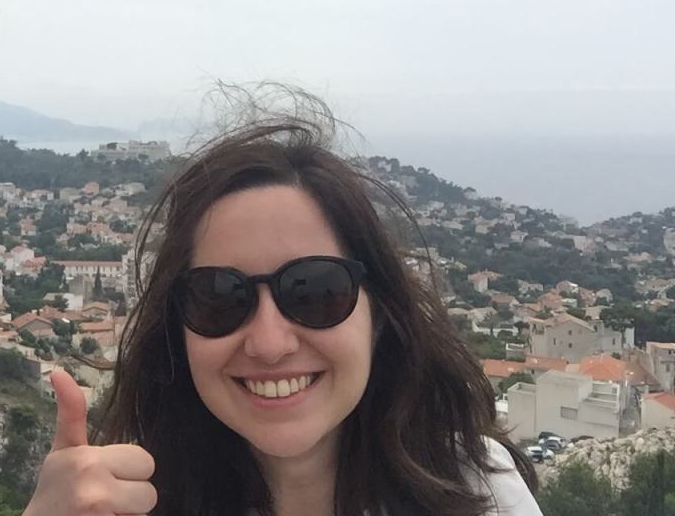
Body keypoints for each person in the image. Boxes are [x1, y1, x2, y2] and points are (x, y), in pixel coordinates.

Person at [86, 112, 543, 516]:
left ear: (379, 315)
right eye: (220, 298)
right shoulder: (124, 505)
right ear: (177, 332)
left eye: (315, 292)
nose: (269, 343)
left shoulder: (481, 492)